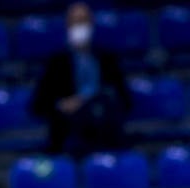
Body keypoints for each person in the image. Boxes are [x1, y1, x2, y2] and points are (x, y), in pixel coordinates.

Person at [28, 2, 131, 156]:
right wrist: (62, 104)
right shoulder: (56, 63)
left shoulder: (108, 59)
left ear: (91, 24)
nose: (80, 27)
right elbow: (38, 104)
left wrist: (92, 99)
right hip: (69, 128)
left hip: (105, 124)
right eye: (75, 22)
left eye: (83, 21)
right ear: (67, 26)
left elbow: (125, 99)